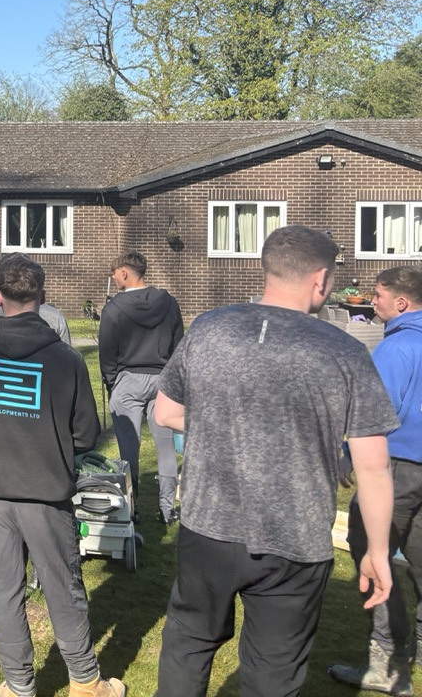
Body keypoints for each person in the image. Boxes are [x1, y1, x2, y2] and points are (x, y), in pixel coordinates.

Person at [152, 225, 398, 697]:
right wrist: (378, 552)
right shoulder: (345, 351)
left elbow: (166, 412)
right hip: (296, 537)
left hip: (209, 526)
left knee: (189, 643)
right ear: (321, 279)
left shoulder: (209, 327)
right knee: (273, 673)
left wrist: (227, 426)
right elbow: (372, 467)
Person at [0, 254, 124, 697]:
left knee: (3, 589)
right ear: (43, 298)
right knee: (62, 587)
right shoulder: (65, 360)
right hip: (45, 491)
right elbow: (86, 433)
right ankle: (86, 684)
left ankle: (18, 687)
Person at [329, 265, 422, 696]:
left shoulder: (396, 348)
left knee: (371, 551)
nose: (372, 301)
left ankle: (388, 661)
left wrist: (349, 453)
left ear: (401, 302)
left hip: (398, 466)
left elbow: (373, 415)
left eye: (378, 295)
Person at [98, 251, 184, 524]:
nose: (113, 278)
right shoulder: (169, 303)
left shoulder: (114, 309)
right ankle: (167, 509)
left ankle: (131, 509)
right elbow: (179, 344)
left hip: (128, 379)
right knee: (166, 445)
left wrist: (113, 381)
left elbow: (107, 352)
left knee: (129, 448)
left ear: (124, 273)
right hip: (162, 378)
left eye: (114, 273)